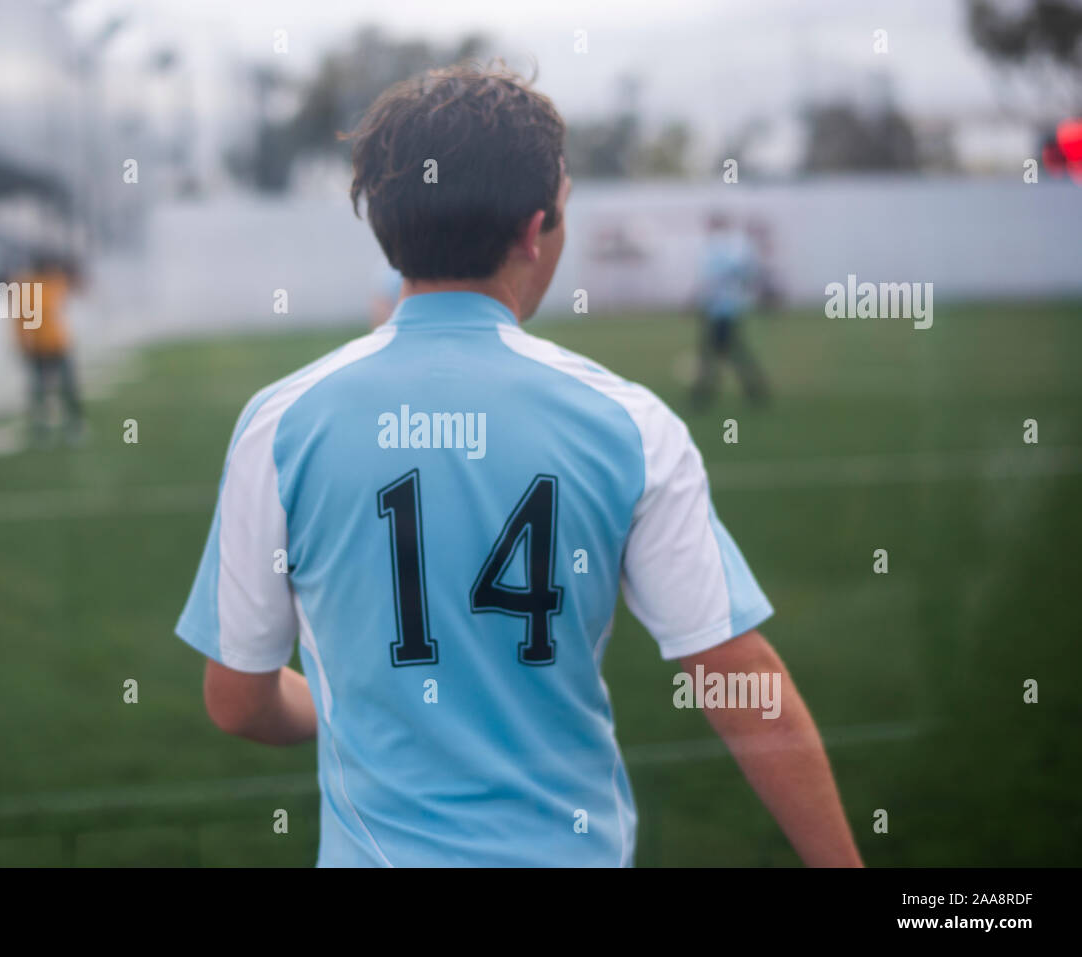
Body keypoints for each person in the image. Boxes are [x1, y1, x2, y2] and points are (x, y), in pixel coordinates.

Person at [175, 65, 861, 868]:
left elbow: (237, 700)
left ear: (387, 228)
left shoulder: (281, 422)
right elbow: (738, 683)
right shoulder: (628, 423)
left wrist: (351, 704)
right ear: (536, 229)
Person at [690, 213, 770, 409]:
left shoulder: (717, 249)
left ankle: (703, 396)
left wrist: (698, 301)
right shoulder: (733, 249)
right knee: (729, 353)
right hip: (729, 309)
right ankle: (754, 392)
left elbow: (711, 282)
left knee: (716, 355)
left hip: (720, 311)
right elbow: (746, 275)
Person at [11, 253, 85, 445]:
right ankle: (41, 430)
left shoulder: (56, 283)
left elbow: (76, 289)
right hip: (38, 347)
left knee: (68, 387)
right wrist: (23, 345)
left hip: (59, 344)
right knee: (39, 391)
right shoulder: (27, 287)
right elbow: (20, 322)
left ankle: (74, 425)